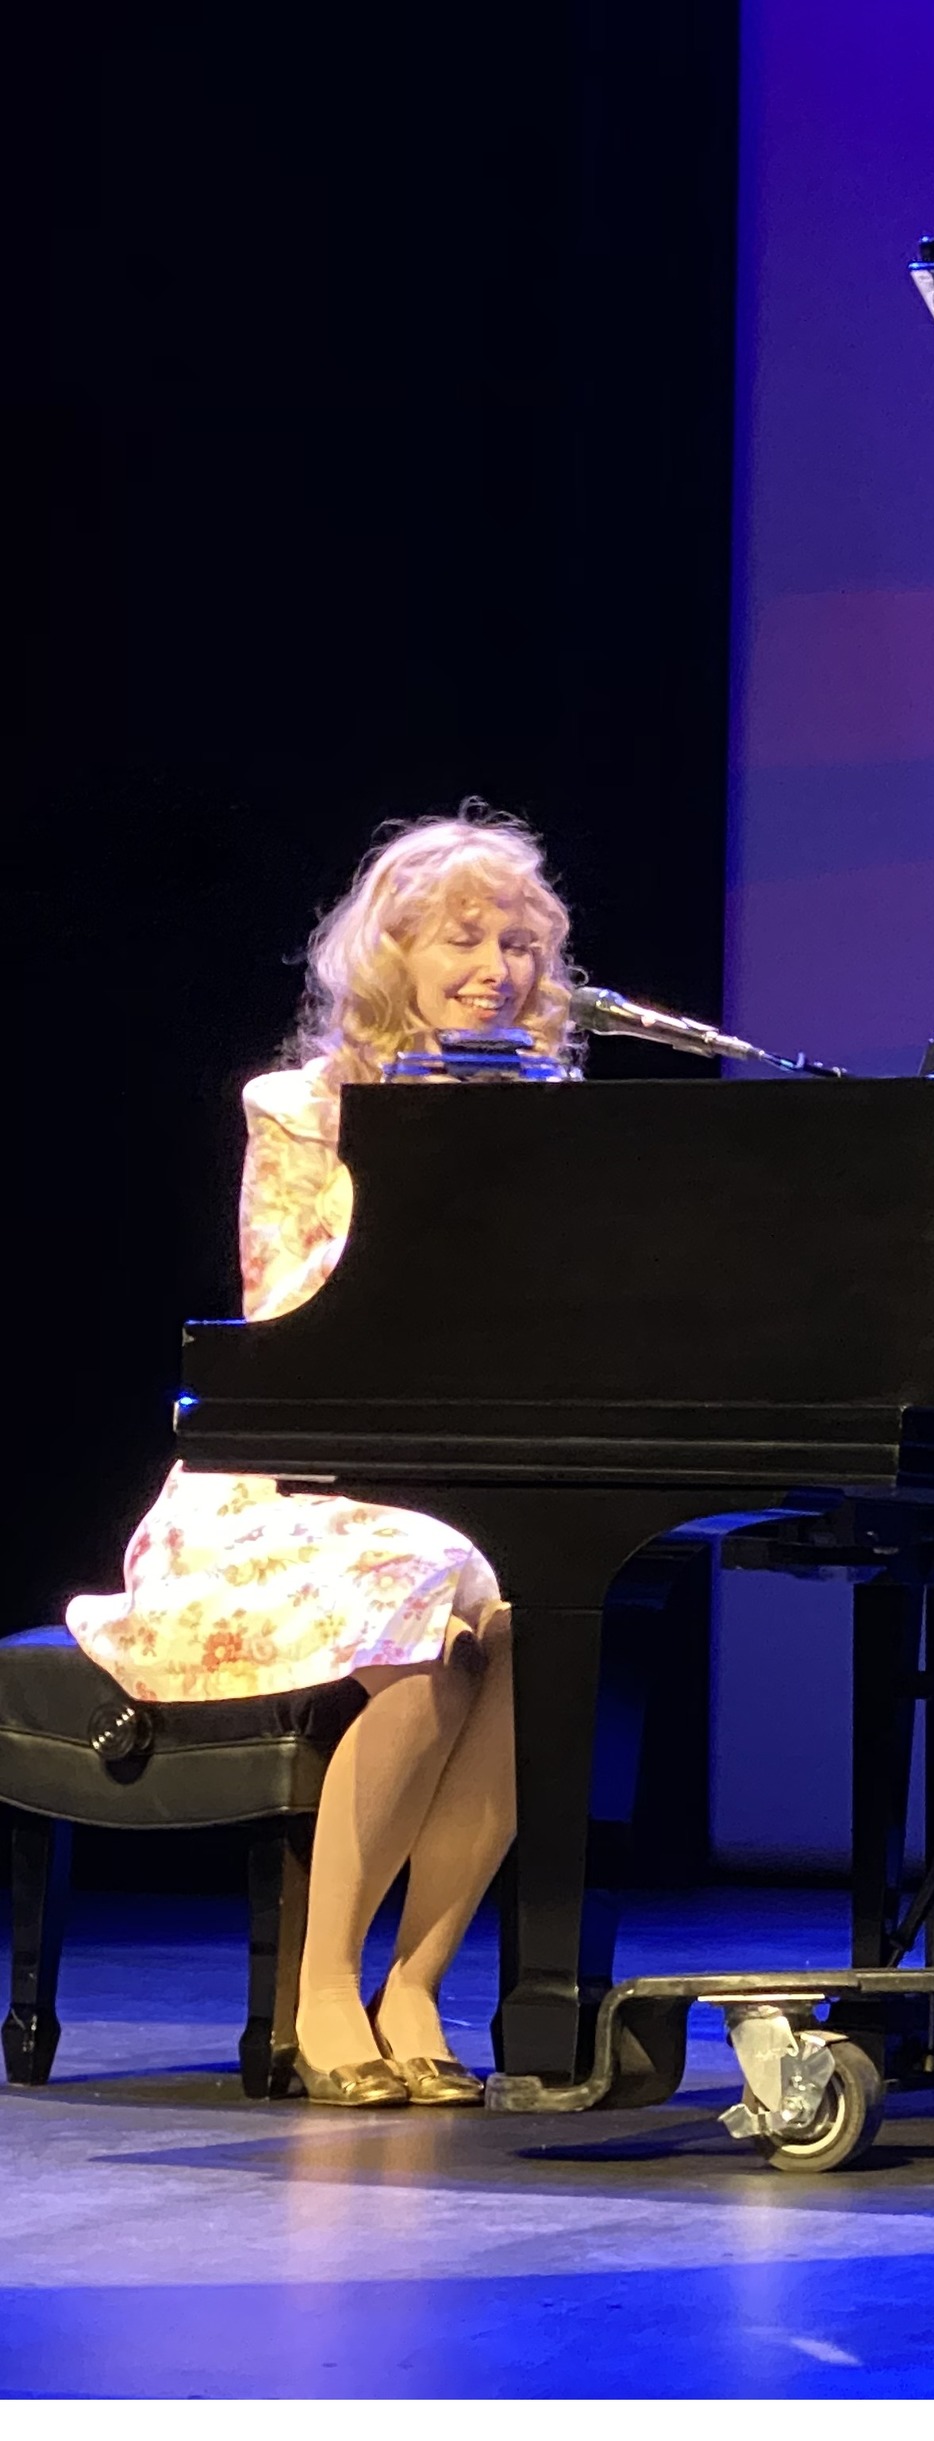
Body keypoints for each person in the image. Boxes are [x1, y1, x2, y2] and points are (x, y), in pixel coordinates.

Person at [66, 806, 579, 2106]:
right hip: (288, 1480)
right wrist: (426, 1150)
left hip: (454, 1473)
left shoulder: (551, 1118)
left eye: (520, 943)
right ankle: (323, 1987)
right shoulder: (300, 1109)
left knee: (540, 1613)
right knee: (426, 1588)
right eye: (464, 938)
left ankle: (417, 1982)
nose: (498, 969)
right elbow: (293, 1315)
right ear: (392, 954)